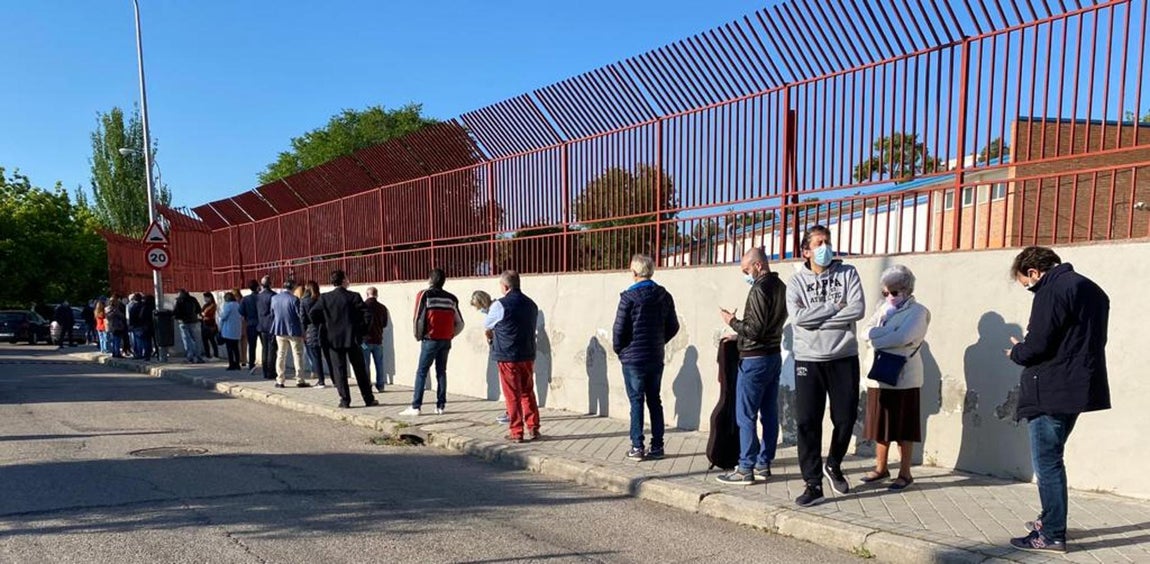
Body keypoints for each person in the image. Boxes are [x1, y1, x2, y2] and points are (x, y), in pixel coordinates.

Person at [1005, 247, 1110, 554]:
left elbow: (1039, 344)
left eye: (1025, 282)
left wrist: (1017, 352)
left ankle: (1051, 534)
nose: (1028, 288)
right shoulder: (1091, 288)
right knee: (1054, 457)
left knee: (1048, 463)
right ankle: (1049, 519)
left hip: (1050, 388)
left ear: (1035, 272)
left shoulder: (1050, 290)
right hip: (1079, 386)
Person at [786, 225, 866, 507]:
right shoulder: (796, 282)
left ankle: (833, 463)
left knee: (844, 418)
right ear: (806, 251)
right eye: (819, 243)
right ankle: (812, 483)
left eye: (828, 241)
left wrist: (817, 320)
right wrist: (835, 309)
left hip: (843, 357)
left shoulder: (848, 273)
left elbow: (857, 309)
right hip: (809, 359)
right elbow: (797, 318)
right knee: (808, 422)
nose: (826, 247)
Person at [715, 247, 787, 482]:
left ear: (758, 265)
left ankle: (746, 466)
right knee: (769, 413)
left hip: (754, 358)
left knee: (745, 415)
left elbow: (755, 328)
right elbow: (766, 326)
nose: (746, 274)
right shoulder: (780, 287)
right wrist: (741, 335)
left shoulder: (759, 289)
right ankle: (763, 463)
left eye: (746, 269)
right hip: (773, 355)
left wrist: (732, 321)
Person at [858, 265, 931, 492]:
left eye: (894, 292)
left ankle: (905, 472)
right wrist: (884, 336)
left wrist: (877, 339)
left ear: (907, 290)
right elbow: (864, 331)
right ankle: (881, 467)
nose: (889, 297)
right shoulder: (882, 309)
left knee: (903, 427)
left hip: (904, 377)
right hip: (878, 375)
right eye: (885, 292)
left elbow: (905, 336)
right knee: (880, 425)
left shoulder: (918, 312)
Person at [611, 254, 680, 460]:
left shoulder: (628, 298)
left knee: (636, 401)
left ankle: (637, 446)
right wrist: (659, 341)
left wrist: (621, 350)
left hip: (633, 358)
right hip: (655, 356)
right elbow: (674, 326)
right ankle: (657, 446)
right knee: (654, 400)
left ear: (634, 272)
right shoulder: (664, 295)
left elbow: (619, 330)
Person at [486, 270, 543, 443]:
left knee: (512, 395)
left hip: (507, 355)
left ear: (505, 286)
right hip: (527, 354)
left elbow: (488, 326)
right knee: (527, 392)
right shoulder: (532, 304)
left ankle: (516, 432)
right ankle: (533, 428)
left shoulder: (499, 305)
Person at [400, 268, 464, 416]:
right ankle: (440, 406)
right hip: (446, 340)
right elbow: (460, 322)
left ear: (430, 279)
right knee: (441, 372)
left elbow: (417, 317)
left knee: (422, 372)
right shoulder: (452, 298)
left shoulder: (424, 295)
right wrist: (450, 335)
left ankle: (416, 406)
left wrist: (418, 335)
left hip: (430, 339)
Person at [310, 270, 377, 409]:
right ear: (344, 280)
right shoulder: (353, 297)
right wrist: (361, 330)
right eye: (347, 278)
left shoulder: (325, 298)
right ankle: (368, 399)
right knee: (360, 370)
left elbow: (313, 314)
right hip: (352, 338)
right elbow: (367, 315)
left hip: (333, 340)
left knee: (339, 371)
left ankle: (345, 400)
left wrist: (326, 323)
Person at [471, 290, 511, 425]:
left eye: (478, 306)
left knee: (510, 387)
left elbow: (488, 329)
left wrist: (490, 339)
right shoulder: (495, 308)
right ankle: (512, 412)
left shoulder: (495, 309)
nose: (479, 310)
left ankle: (511, 413)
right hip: (510, 349)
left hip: (505, 351)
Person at [272, 280, 310, 388]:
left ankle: (280, 380)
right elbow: (300, 316)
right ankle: (300, 379)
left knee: (280, 354)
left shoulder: (275, 298)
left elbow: (272, 313)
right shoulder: (294, 299)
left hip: (279, 330)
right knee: (297, 355)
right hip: (294, 331)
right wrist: (304, 331)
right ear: (293, 287)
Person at [301, 281, 329, 389]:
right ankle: (336, 380)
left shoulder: (304, 301)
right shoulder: (321, 299)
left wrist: (304, 333)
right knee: (329, 356)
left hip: (311, 330)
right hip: (325, 330)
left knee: (316, 357)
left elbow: (303, 318)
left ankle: (321, 381)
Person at [363, 287, 390, 392]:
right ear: (376, 294)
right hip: (378, 340)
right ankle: (380, 385)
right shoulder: (383, 308)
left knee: (365, 364)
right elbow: (384, 324)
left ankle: (367, 386)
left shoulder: (363, 306)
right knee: (379, 364)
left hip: (365, 341)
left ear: (367, 294)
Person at [173, 289, 205, 364]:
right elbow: (198, 309)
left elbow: (176, 311)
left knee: (187, 340)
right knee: (196, 340)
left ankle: (190, 357)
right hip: (194, 321)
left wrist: (176, 317)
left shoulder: (179, 300)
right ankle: (198, 357)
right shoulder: (193, 299)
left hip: (183, 322)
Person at [257, 275, 278, 380]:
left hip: (261, 325)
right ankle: (271, 371)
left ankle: (265, 372)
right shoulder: (273, 296)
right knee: (272, 350)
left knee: (264, 349)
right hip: (271, 326)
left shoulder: (258, 296)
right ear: (270, 284)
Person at [217, 291, 243, 370]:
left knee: (230, 349)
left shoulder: (228, 306)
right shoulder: (238, 305)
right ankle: (237, 364)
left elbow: (223, 317)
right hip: (237, 330)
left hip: (229, 331)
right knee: (236, 349)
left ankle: (231, 364)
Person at [240, 280, 261, 372]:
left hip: (250, 323)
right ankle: (268, 363)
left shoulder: (245, 299)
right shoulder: (261, 297)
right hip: (261, 323)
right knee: (266, 345)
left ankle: (251, 364)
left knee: (252, 345)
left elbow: (241, 311)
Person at [127, 293, 148, 360]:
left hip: (135, 325)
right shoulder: (142, 306)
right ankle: (143, 353)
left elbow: (131, 316)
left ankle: (138, 353)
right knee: (142, 340)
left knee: (137, 340)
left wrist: (130, 325)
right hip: (141, 324)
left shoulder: (132, 306)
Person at [201, 292, 220, 360]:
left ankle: (216, 355)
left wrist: (204, 314)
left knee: (212, 340)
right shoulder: (205, 305)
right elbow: (202, 313)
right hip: (204, 324)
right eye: (204, 298)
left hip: (211, 325)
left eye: (206, 297)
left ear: (210, 297)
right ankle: (207, 355)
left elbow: (207, 313)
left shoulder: (213, 305)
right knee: (205, 340)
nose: (205, 299)